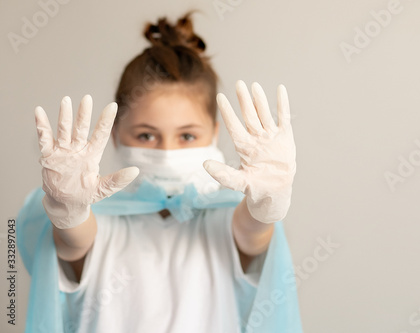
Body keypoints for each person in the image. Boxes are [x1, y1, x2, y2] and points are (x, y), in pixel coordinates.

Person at [17, 13, 302, 333]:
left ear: (215, 133)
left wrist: (264, 210)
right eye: (146, 135)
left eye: (187, 136)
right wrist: (67, 213)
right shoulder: (100, 225)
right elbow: (73, 243)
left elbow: (252, 236)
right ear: (114, 137)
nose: (167, 151)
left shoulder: (225, 222)